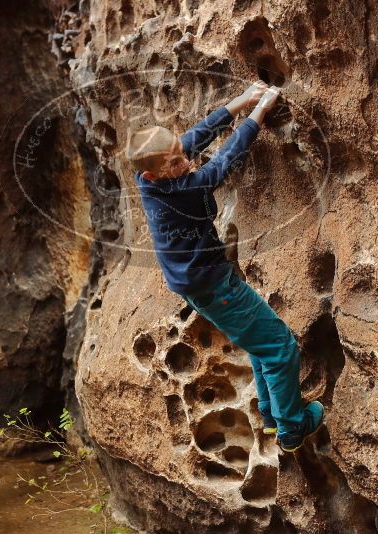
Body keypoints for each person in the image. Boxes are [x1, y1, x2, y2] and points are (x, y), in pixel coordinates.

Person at [126, 81, 324, 452]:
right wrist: (258, 112)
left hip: (200, 282)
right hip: (214, 285)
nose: (185, 162)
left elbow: (192, 141)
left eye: (180, 153)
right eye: (175, 163)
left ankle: (270, 417)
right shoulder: (178, 188)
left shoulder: (150, 175)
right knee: (281, 347)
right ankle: (292, 429)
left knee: (262, 344)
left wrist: (236, 104)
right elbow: (219, 168)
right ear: (153, 174)